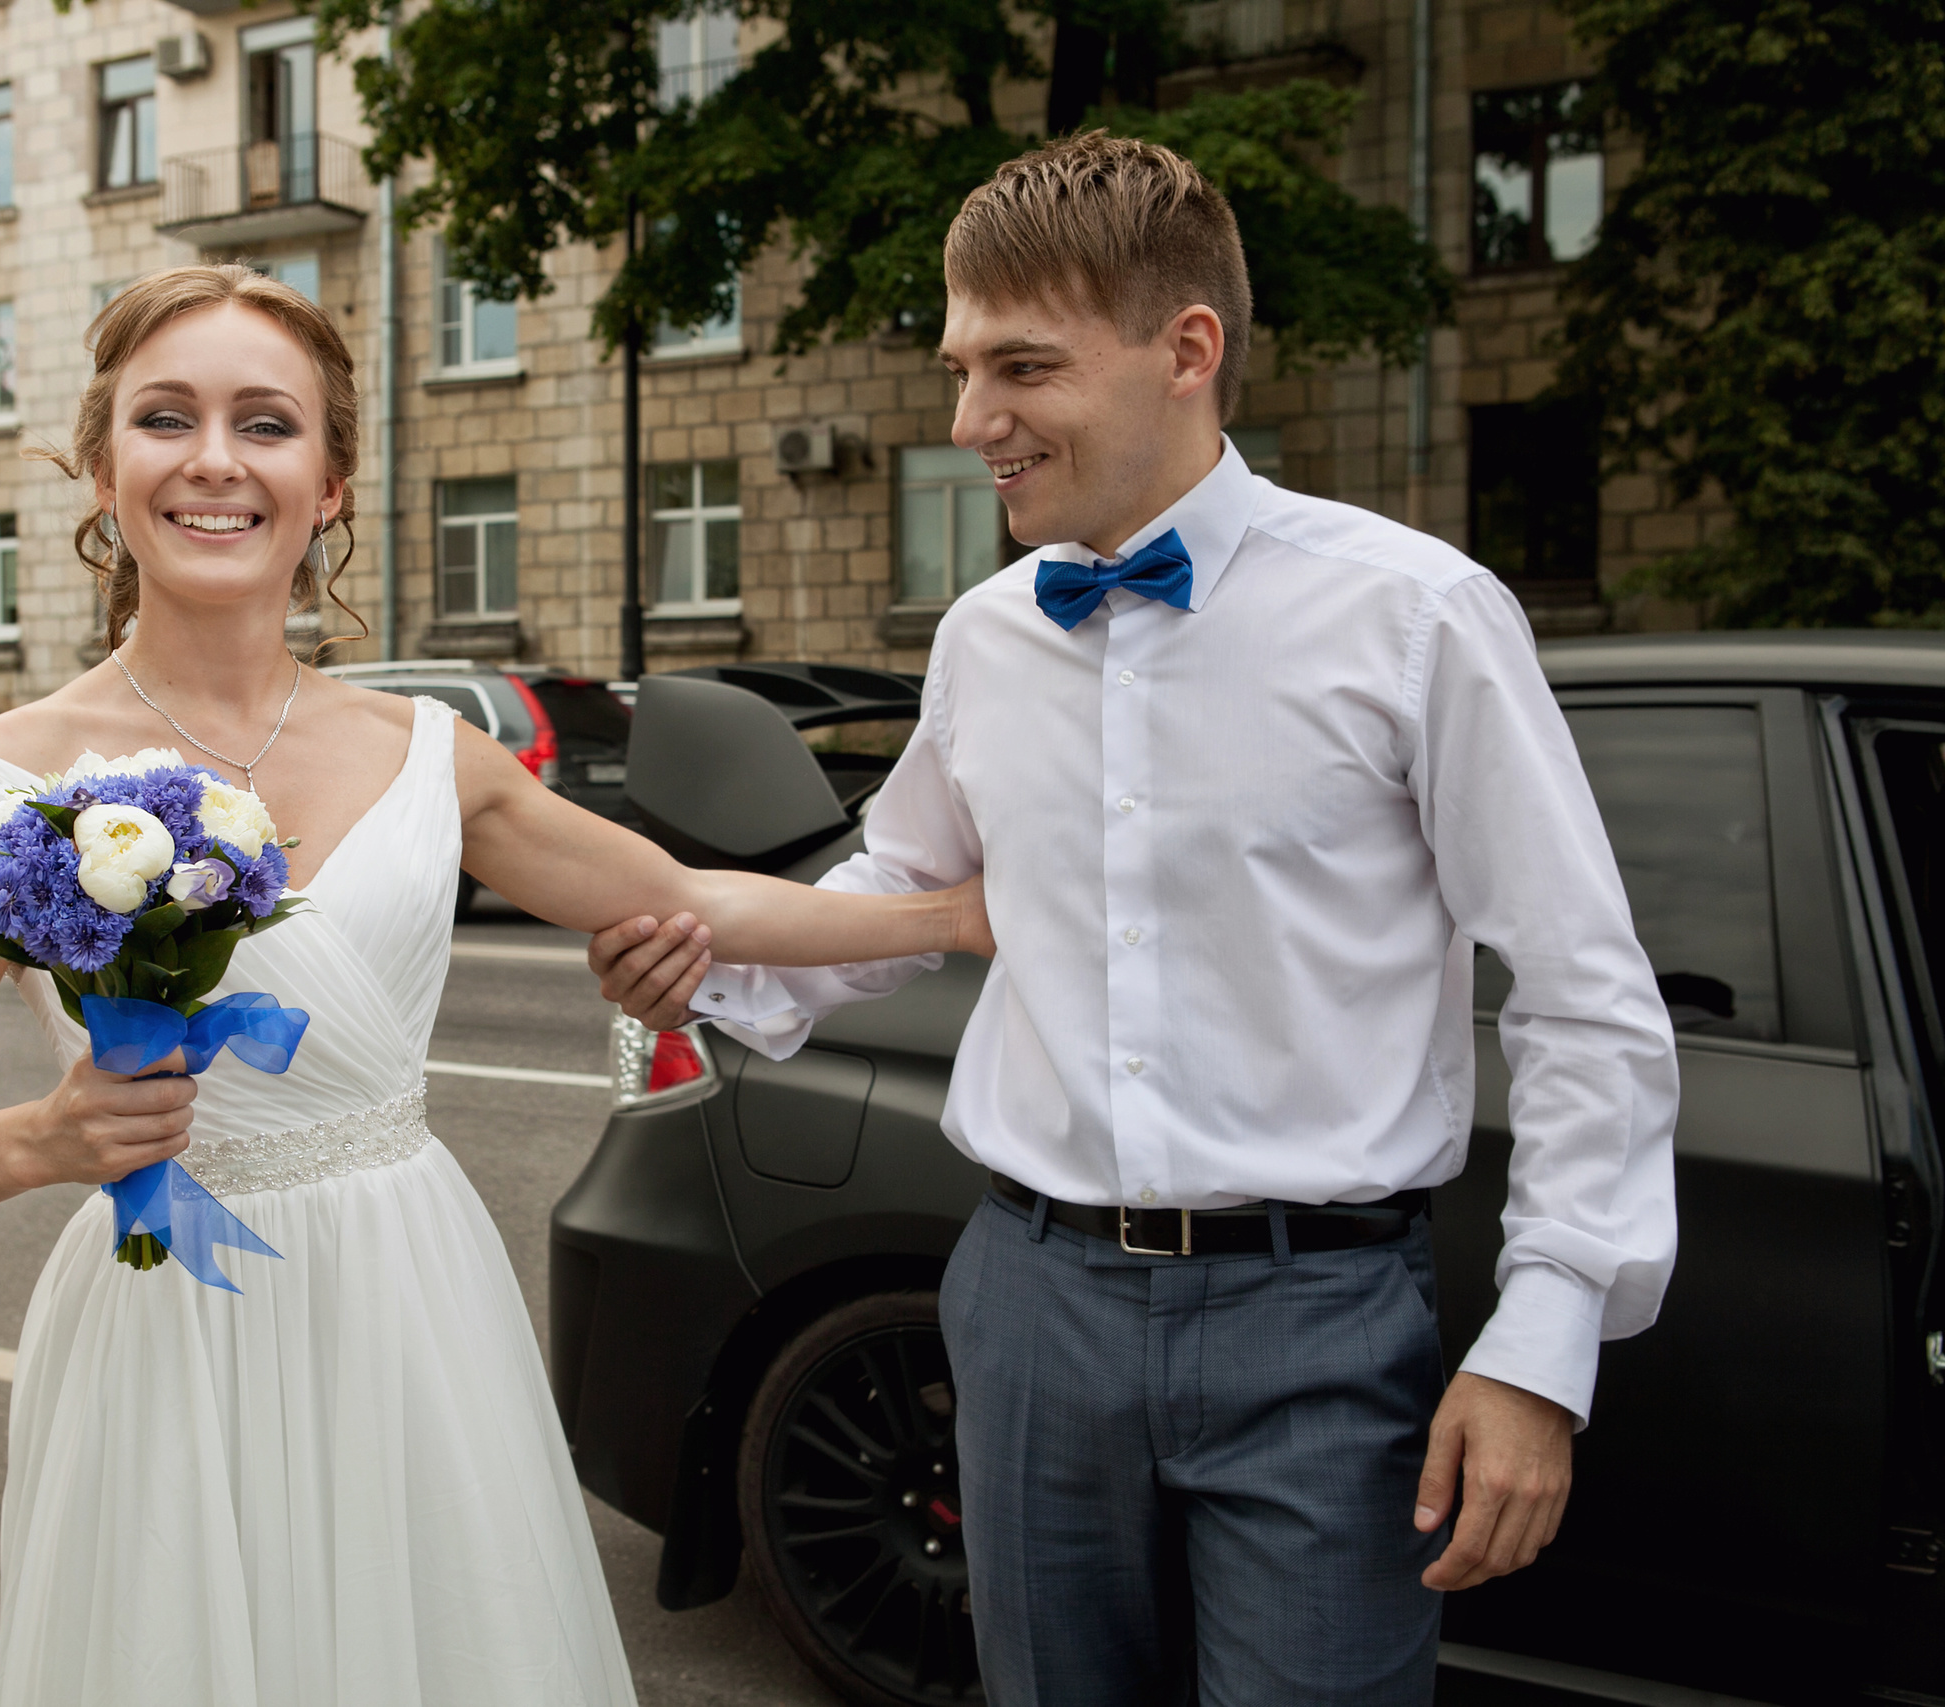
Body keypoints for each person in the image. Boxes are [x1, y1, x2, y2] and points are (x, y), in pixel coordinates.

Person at [0, 264, 993, 1707]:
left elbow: (692, 904)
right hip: (167, 1326)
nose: (215, 461)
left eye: (266, 423)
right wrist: (35, 1141)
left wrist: (971, 913)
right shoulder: (1, 783)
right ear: (103, 463)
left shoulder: (436, 753)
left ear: (334, 482)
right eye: (165, 417)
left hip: (411, 1305)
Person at [591, 132, 1679, 1706]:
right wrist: (709, 971)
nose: (972, 422)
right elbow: (909, 897)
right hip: (1031, 1304)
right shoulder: (982, 638)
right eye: (963, 368)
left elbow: (1583, 987)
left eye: (1021, 367)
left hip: (1322, 1319)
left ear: (1187, 351)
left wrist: (1543, 1341)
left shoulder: (1419, 615)